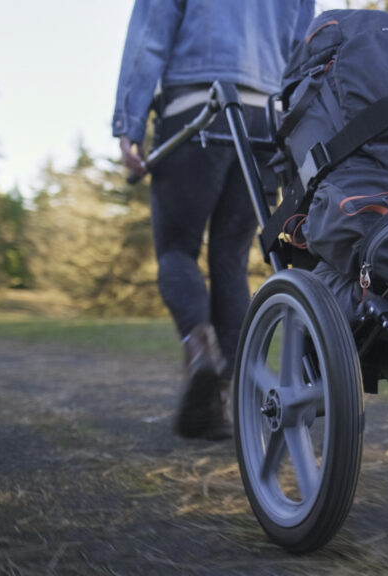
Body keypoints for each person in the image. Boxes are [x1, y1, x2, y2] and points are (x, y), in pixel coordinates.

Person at [113, 0, 314, 440]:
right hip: (263, 120)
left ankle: (200, 348)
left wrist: (129, 123)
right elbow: (302, 47)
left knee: (176, 250)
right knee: (230, 260)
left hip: (195, 108)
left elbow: (150, 36)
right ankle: (227, 404)